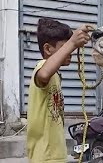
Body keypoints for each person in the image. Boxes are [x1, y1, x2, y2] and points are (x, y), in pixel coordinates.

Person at [27, 18, 91, 162]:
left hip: (55, 155)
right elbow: (43, 74)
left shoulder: (55, 74)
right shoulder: (42, 67)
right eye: (65, 46)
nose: (70, 51)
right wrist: (73, 42)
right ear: (48, 49)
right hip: (45, 156)